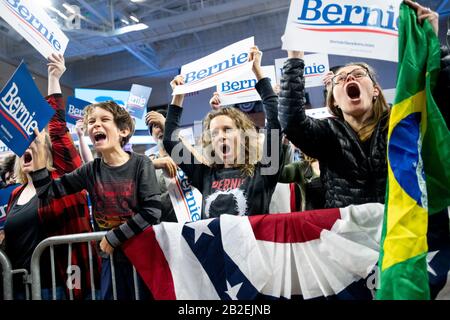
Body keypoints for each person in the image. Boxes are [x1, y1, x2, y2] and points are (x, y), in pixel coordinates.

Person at [279, 1, 447, 208]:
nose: (349, 79)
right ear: (335, 102)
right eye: (340, 79)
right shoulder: (327, 133)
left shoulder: (401, 121)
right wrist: (294, 58)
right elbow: (292, 123)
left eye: (358, 74)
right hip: (350, 235)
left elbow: (439, 100)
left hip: (403, 230)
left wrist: (433, 42)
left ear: (375, 90)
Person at [29, 99, 161, 300]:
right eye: (91, 122)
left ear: (123, 131)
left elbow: (152, 211)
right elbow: (48, 193)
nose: (95, 125)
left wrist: (112, 237)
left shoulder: (141, 163)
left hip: (143, 257)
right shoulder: (90, 170)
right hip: (111, 260)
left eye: (104, 119)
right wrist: (39, 165)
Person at [2, 53, 97, 300]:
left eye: (34, 142)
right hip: (20, 290)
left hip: (60, 288)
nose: (27, 147)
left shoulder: (63, 177)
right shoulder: (15, 193)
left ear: (48, 150)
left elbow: (56, 128)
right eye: (23, 145)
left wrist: (54, 78)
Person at [163, 46, 284, 218]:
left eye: (227, 129)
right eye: (214, 133)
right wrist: (178, 95)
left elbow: (274, 123)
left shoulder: (265, 171)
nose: (220, 136)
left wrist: (257, 70)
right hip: (213, 245)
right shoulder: (204, 175)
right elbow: (169, 141)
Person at [145, 109, 178, 222]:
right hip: (162, 225)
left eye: (163, 122)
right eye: (155, 125)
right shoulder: (147, 163)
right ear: (151, 134)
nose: (160, 127)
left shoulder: (187, 155)